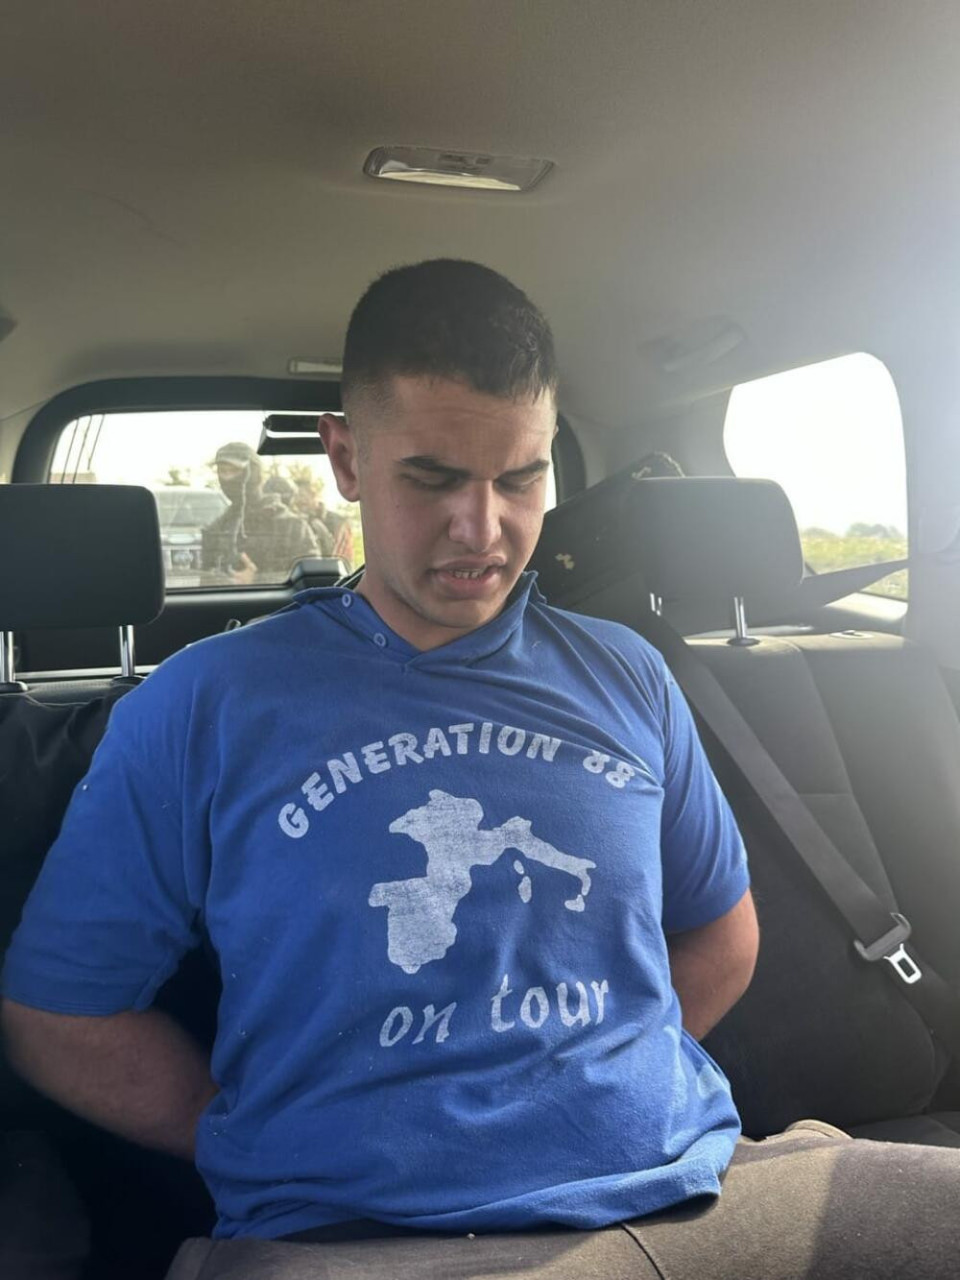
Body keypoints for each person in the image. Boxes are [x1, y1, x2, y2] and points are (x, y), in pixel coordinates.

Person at [2, 260, 960, 1280]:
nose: (483, 527)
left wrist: (596, 1075)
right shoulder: (202, 703)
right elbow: (58, 1013)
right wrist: (249, 1133)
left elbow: (723, 928)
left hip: (700, 1190)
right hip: (363, 1240)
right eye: (433, 478)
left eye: (521, 478)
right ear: (346, 459)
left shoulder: (629, 673)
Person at [201, 442, 318, 584]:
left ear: (253, 473)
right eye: (223, 471)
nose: (227, 478)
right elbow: (204, 582)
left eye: (234, 471)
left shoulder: (290, 526)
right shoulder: (217, 528)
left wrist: (257, 581)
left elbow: (312, 581)